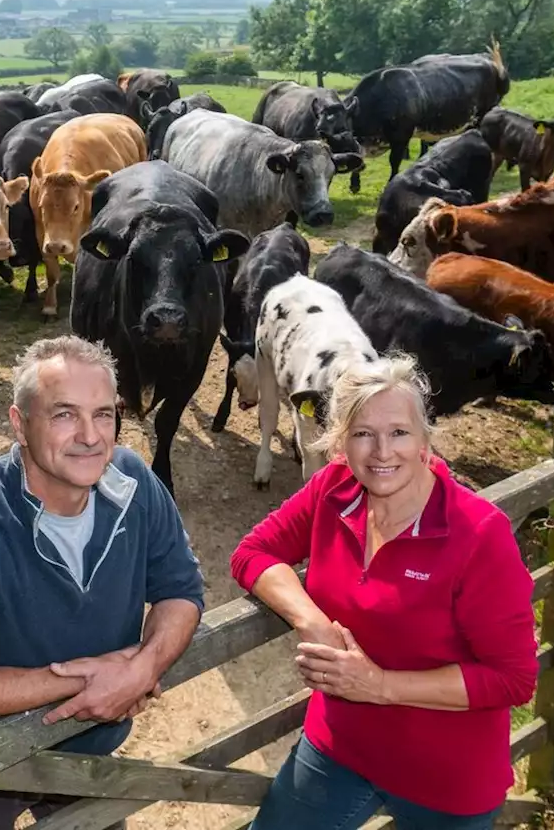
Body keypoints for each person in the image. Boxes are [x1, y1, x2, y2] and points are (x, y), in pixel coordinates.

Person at [0, 335, 206, 830]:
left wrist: (142, 668)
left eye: (105, 414)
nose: (91, 436)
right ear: (19, 425)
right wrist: (93, 681)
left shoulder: (133, 483)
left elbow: (181, 590)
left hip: (91, 751)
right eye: (64, 414)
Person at [230, 355, 538, 830]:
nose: (381, 452)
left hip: (445, 779)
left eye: (398, 432)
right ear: (340, 443)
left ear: (424, 440)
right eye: (362, 434)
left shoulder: (479, 535)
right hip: (340, 746)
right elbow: (253, 553)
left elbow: (513, 679)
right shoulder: (335, 487)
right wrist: (313, 621)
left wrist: (380, 686)